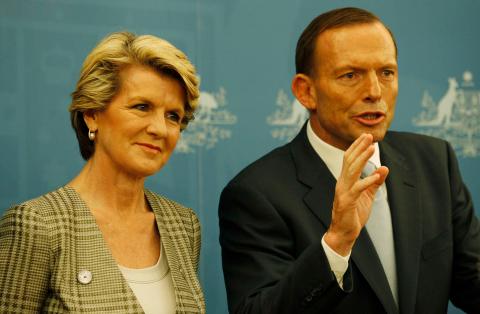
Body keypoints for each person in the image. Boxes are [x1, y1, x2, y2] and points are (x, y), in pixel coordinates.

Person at [219, 7, 480, 314]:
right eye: (350, 75)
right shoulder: (256, 194)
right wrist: (336, 244)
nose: (374, 91)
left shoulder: (434, 162)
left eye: (386, 73)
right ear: (306, 92)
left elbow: (472, 281)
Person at [0, 31, 205, 313]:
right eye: (142, 107)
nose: (160, 128)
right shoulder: (39, 224)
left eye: (173, 116)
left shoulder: (183, 225)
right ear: (92, 114)